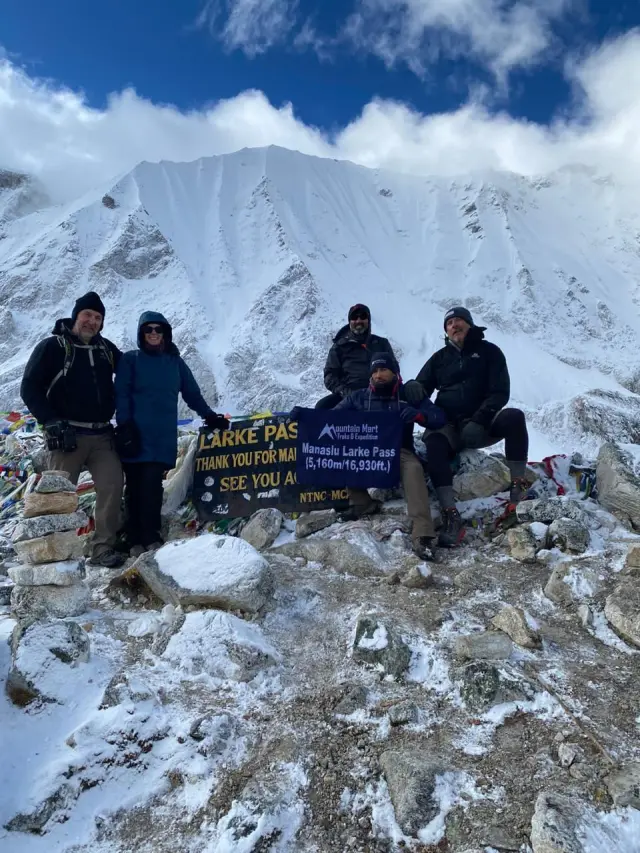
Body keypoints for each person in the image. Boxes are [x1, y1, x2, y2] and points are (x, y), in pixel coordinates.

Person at [403, 306, 529, 547]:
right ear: (446, 331)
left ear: (470, 324)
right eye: (449, 323)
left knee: (514, 417)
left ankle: (517, 488)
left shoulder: (489, 352)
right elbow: (422, 387)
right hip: (448, 425)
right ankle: (451, 513)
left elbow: (500, 392)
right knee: (434, 444)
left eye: (459, 320)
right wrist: (413, 387)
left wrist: (480, 419)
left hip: (481, 423)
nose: (454, 326)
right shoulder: (440, 358)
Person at [21, 291, 126, 568]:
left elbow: (132, 373)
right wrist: (50, 420)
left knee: (112, 485)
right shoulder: (52, 347)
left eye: (98, 317)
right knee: (59, 496)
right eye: (87, 315)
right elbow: (29, 387)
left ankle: (101, 548)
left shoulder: (107, 350)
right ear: (76, 316)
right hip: (66, 435)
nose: (92, 321)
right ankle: (53, 549)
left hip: (103, 435)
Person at [114, 311, 229, 557]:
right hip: (134, 434)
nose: (154, 333)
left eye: (159, 329)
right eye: (149, 329)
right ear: (141, 333)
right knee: (134, 486)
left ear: (166, 333)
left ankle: (151, 535)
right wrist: (124, 427)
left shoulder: (175, 363)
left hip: (162, 436)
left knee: (154, 486)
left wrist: (210, 416)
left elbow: (192, 393)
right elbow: (121, 395)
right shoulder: (130, 360)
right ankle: (133, 537)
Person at [335, 352, 447, 561]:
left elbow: (438, 418)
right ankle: (362, 503)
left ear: (395, 372)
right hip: (369, 452)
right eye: (375, 371)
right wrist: (303, 417)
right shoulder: (359, 397)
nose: (378, 375)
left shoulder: (408, 394)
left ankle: (422, 533)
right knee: (345, 454)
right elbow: (330, 418)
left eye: (383, 369)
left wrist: (419, 415)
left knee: (413, 469)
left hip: (400, 451)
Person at [317, 304, 397, 409]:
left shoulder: (381, 343)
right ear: (349, 322)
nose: (358, 321)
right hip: (347, 394)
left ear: (368, 320)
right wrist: (346, 392)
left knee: (404, 407)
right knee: (322, 407)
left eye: (363, 317)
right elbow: (330, 376)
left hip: (379, 393)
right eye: (354, 317)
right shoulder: (339, 347)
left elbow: (394, 369)